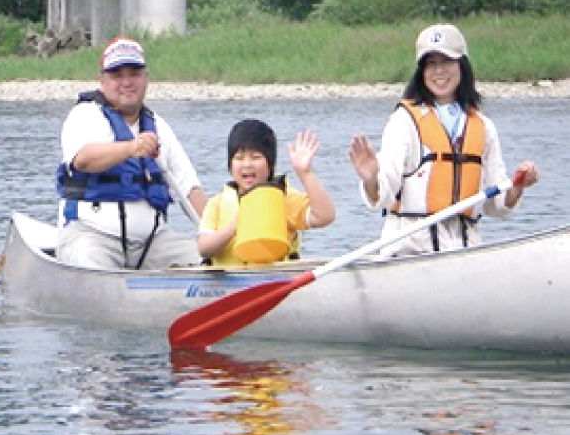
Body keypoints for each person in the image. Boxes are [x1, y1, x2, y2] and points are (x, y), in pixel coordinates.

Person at [348, 23, 540, 257]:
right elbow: (383, 194)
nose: (439, 71)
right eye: (431, 64)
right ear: (421, 71)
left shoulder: (483, 126)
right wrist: (371, 180)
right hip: (410, 249)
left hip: (464, 249)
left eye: (447, 61)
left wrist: (517, 186)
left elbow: (497, 204)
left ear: (462, 66)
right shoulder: (403, 121)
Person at [56, 36, 207, 270]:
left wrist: (215, 234)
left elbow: (189, 188)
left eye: (134, 73)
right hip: (91, 235)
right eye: (117, 75)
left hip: (152, 242)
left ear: (146, 79)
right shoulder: (84, 116)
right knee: (93, 267)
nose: (126, 82)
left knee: (207, 261)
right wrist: (131, 148)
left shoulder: (159, 127)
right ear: (102, 81)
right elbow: (83, 160)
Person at [198, 119, 335, 267]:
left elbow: (325, 216)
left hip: (275, 281)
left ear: (270, 164)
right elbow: (204, 248)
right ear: (230, 165)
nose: (247, 164)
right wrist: (234, 226)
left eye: (256, 157)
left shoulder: (285, 199)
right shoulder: (216, 204)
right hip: (229, 285)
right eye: (239, 158)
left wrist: (305, 173)